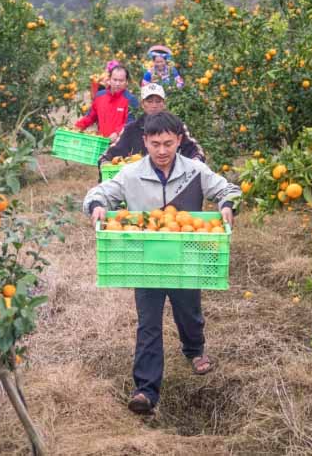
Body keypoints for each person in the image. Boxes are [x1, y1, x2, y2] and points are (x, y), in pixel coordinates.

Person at [83, 112, 241, 415]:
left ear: (179, 141)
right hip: (147, 261)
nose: (162, 150)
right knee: (148, 324)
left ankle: (194, 350)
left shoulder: (195, 170)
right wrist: (97, 205)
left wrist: (227, 205)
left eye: (168, 143)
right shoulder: (131, 174)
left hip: (187, 257)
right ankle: (145, 390)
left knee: (189, 311)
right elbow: (101, 190)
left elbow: (227, 189)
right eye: (155, 144)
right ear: (145, 142)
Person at [98, 83, 204, 175]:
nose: (154, 105)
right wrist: (106, 164)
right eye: (150, 101)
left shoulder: (176, 126)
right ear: (143, 104)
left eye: (158, 101)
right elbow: (110, 154)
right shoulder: (131, 129)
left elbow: (195, 150)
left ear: (164, 104)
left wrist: (195, 162)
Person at [75, 65, 133, 139]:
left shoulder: (131, 100)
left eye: (121, 81)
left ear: (126, 82)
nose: (117, 84)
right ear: (109, 80)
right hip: (101, 141)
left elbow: (131, 123)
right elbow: (90, 117)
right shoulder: (100, 96)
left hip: (120, 144)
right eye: (115, 80)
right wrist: (78, 126)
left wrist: (117, 133)